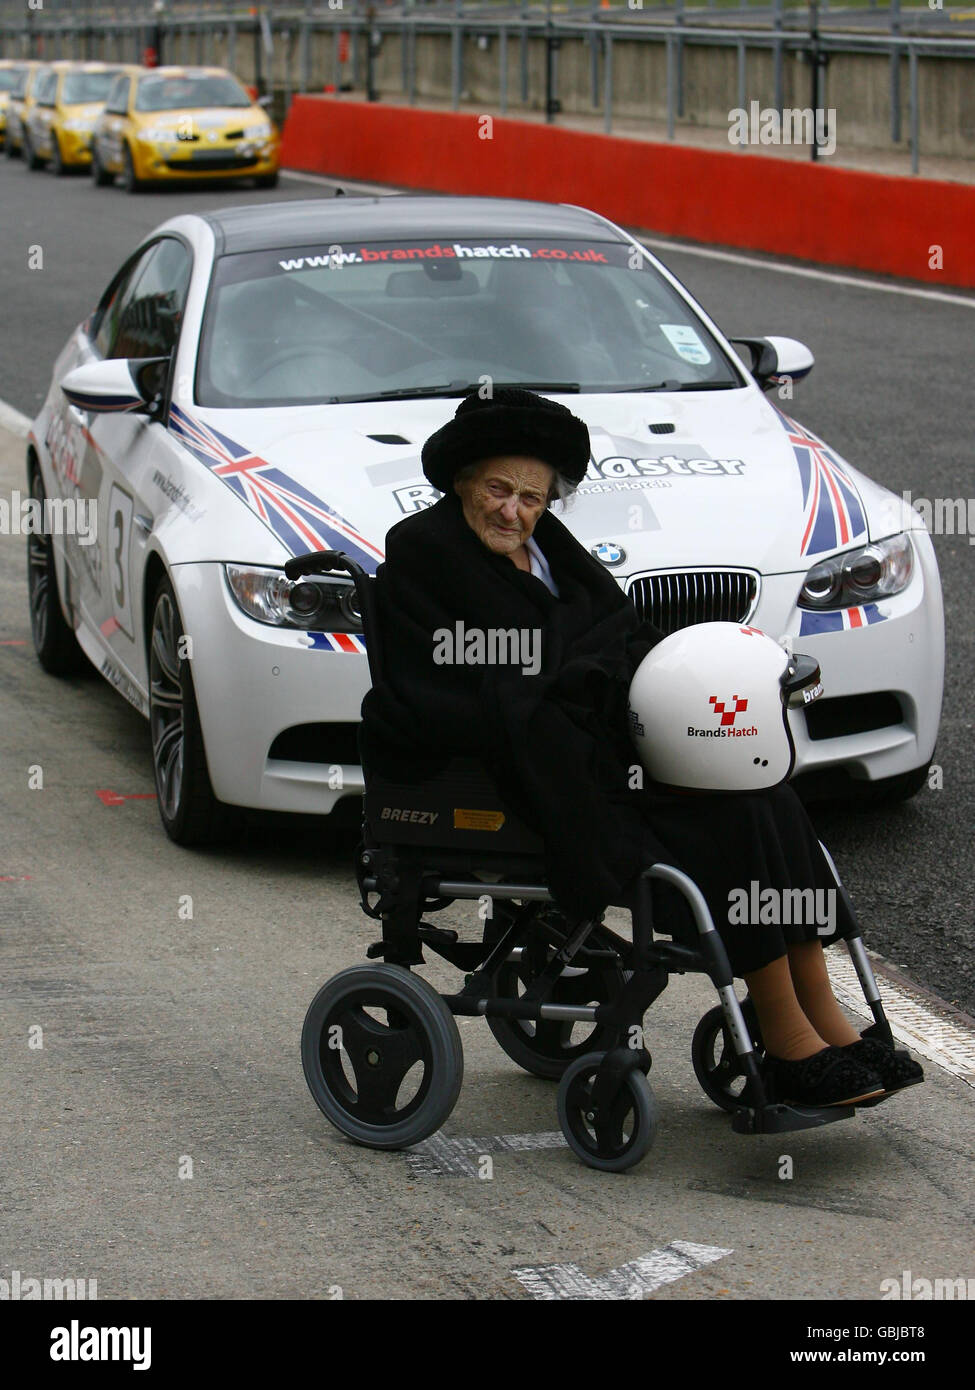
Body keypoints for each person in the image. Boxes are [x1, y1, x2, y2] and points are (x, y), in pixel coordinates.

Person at [360, 388, 923, 1108]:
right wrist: (585, 678)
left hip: (595, 733)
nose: (513, 510)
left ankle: (828, 1018)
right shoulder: (424, 554)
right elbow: (469, 681)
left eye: (532, 497)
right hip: (521, 762)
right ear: (463, 480)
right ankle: (785, 1041)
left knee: (767, 794)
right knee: (724, 820)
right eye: (498, 489)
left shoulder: (547, 546)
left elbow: (621, 631)